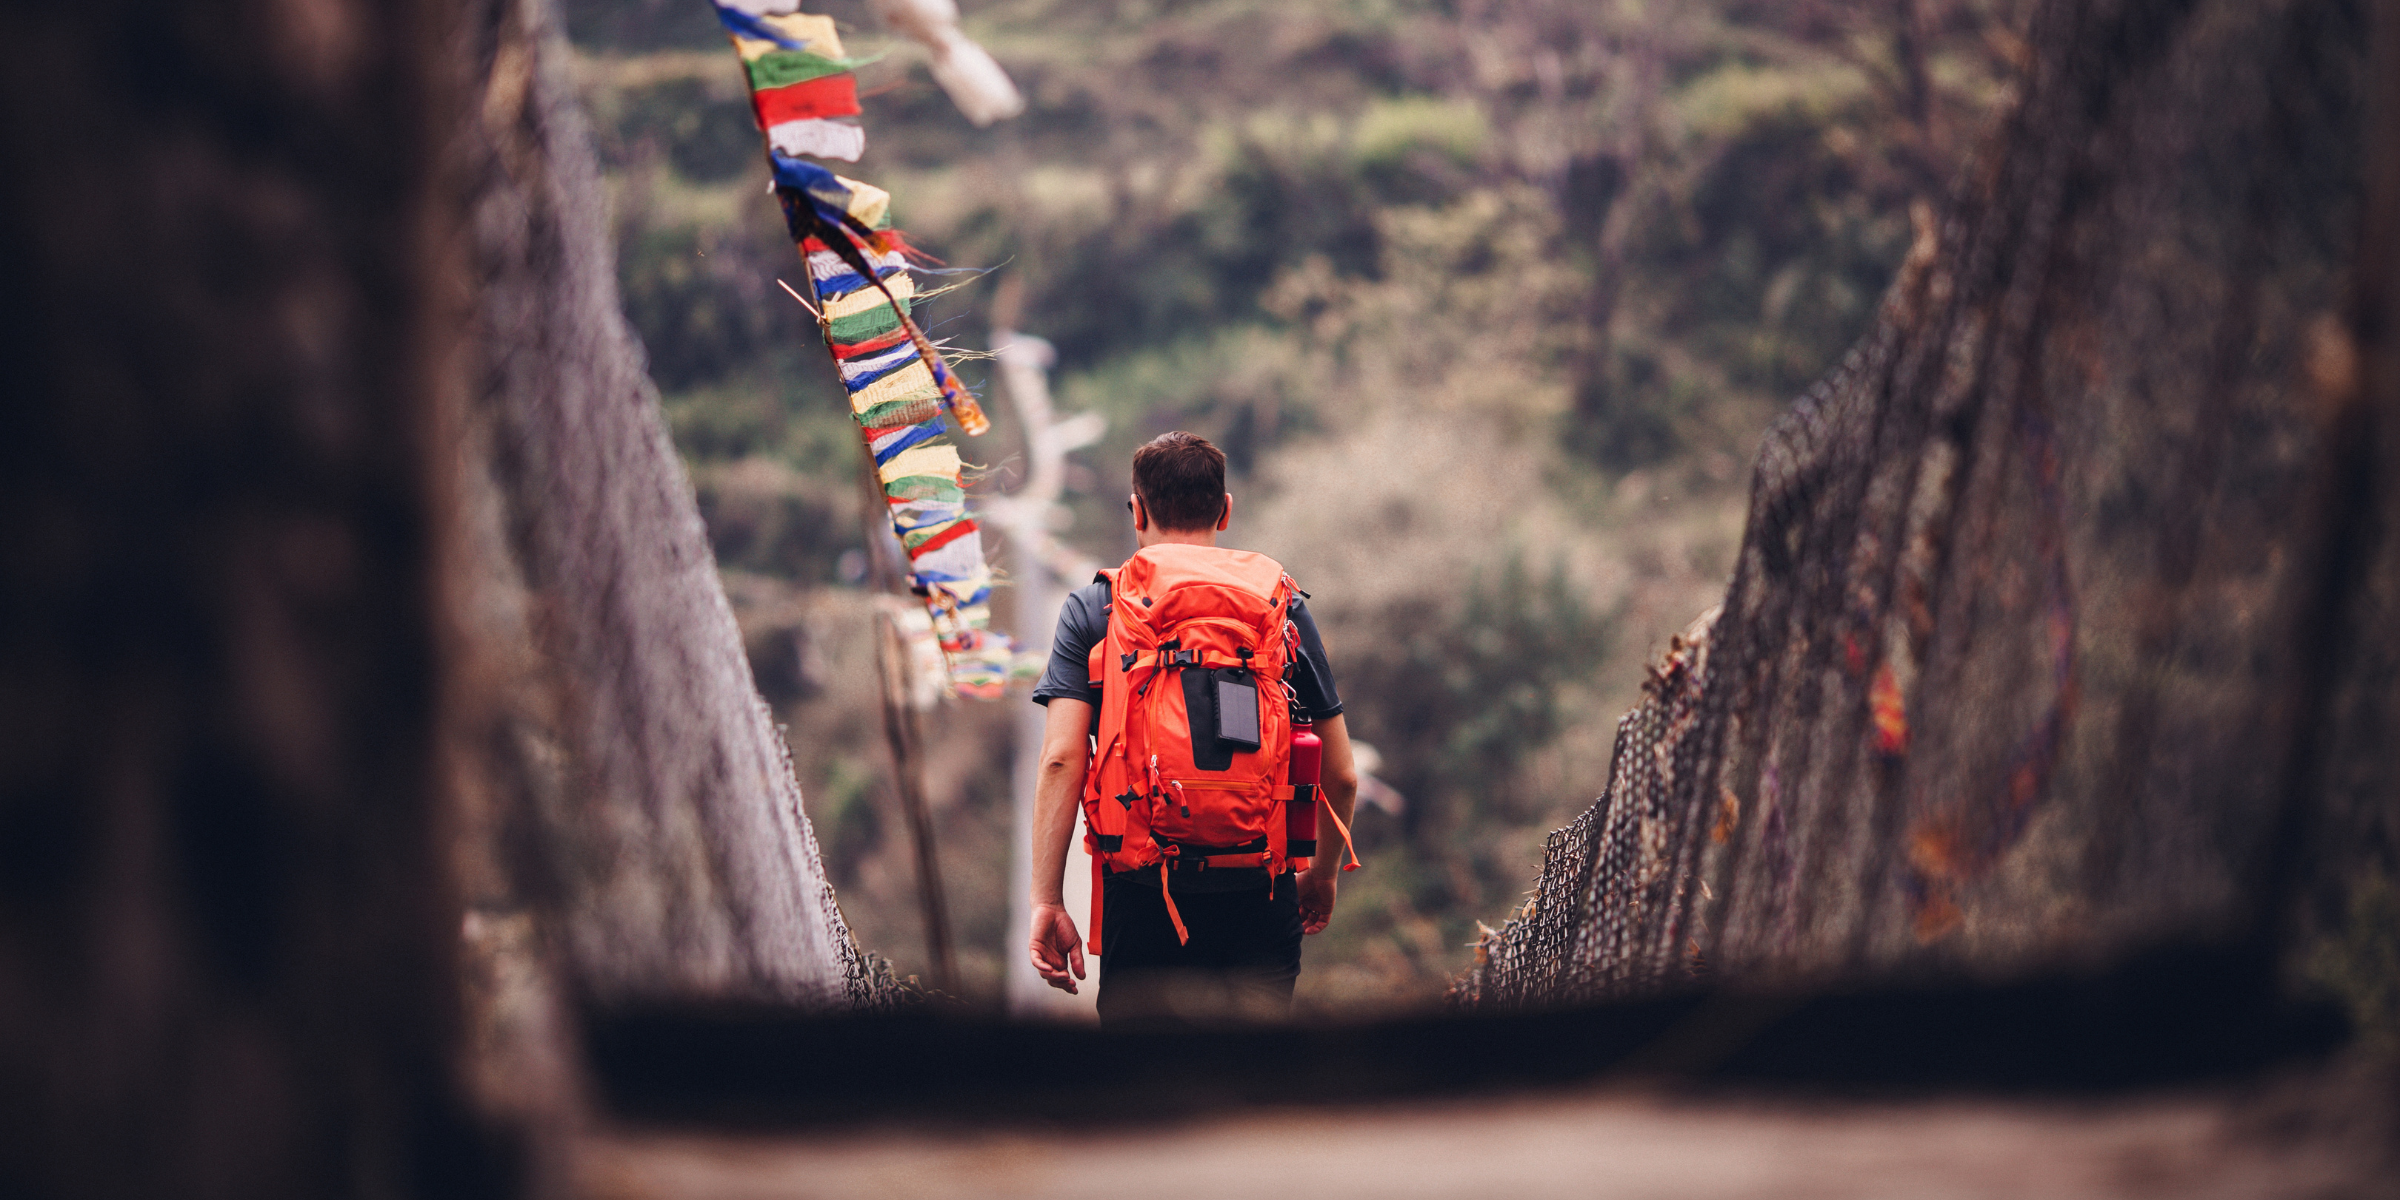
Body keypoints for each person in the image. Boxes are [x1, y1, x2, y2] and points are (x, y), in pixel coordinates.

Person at [1026, 432, 1358, 1027]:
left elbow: (1060, 760)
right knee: (1255, 1087)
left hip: (1144, 895)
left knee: (1143, 1093)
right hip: (1262, 889)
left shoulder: (1095, 608)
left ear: (1137, 511)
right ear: (1225, 511)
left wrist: (1047, 900)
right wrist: (1323, 874)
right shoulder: (1282, 605)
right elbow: (1342, 774)